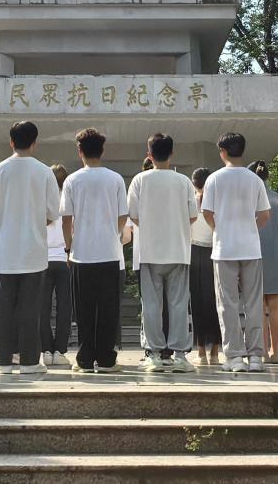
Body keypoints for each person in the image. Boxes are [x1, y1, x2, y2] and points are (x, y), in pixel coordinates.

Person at [0, 121, 59, 375]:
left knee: (4, 310)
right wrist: (35, 223)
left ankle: (3, 362)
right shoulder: (44, 172)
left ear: (11, 142)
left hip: (4, 252)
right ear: (35, 143)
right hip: (33, 252)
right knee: (31, 310)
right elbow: (53, 212)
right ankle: (29, 362)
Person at [200, 132, 270, 373]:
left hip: (224, 249)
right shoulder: (255, 180)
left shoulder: (214, 179)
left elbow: (207, 212)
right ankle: (256, 357)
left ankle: (235, 356)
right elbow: (264, 215)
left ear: (222, 152)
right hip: (251, 248)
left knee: (227, 304)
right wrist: (249, 228)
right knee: (254, 303)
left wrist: (219, 229)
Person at [127, 133, 197, 373]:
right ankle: (180, 355)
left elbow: (133, 215)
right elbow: (193, 216)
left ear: (149, 154)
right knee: (179, 304)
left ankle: (154, 354)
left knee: (151, 304)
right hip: (178, 249)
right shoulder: (183, 181)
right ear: (172, 153)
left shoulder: (139, 180)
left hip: (149, 251)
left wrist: (150, 226)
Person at [60, 127, 128, 374]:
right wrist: (112, 234)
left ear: (80, 150)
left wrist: (69, 247)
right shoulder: (115, 179)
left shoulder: (72, 180)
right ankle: (107, 359)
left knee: (84, 309)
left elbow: (66, 218)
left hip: (82, 254)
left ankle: (85, 359)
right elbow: (123, 215)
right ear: (102, 149)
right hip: (110, 253)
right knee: (109, 309)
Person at [250, 162, 278, 364]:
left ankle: (263, 352)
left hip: (254, 255)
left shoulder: (249, 199)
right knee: (276, 305)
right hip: (276, 254)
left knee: (258, 306)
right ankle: (276, 352)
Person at [188, 167, 221, 366]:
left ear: (194, 183)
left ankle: (200, 350)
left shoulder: (190, 200)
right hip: (214, 251)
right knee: (215, 302)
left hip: (194, 252)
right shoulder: (216, 200)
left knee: (197, 302)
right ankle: (215, 351)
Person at [41, 164, 73, 366]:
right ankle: (60, 350)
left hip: (43, 259)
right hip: (64, 257)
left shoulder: (42, 199)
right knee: (64, 307)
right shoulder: (68, 199)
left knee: (43, 307)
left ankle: (46, 349)